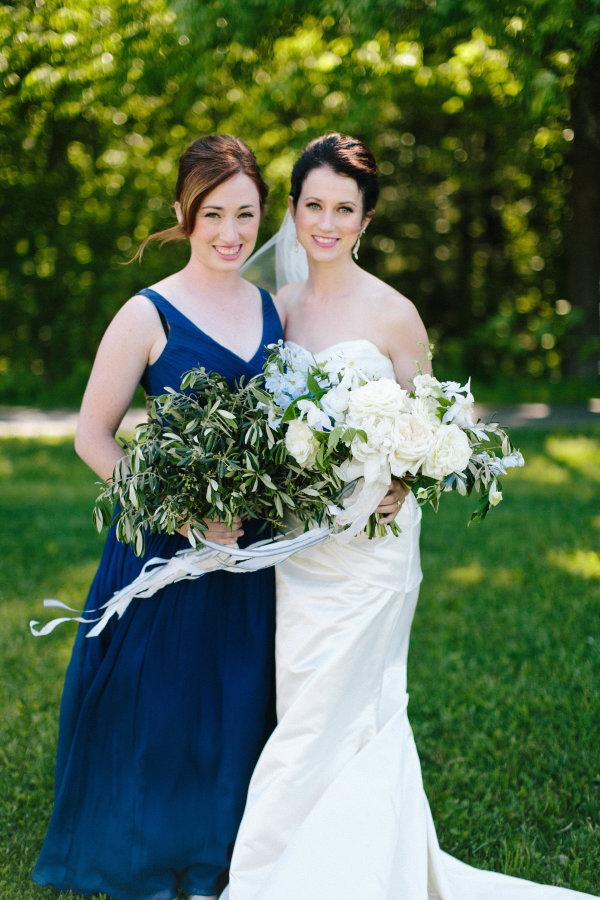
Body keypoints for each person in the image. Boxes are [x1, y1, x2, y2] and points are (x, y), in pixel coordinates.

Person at [224, 133, 597, 899]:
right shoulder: (273, 309)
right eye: (314, 206)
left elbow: (437, 430)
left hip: (374, 552)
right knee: (302, 707)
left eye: (345, 209)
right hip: (301, 550)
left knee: (355, 707)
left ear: (365, 220)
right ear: (292, 211)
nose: (327, 223)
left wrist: (404, 478)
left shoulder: (394, 314)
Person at [33, 135, 284, 900]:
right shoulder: (147, 313)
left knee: (235, 699)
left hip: (248, 547)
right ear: (183, 213)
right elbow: (92, 437)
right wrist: (181, 507)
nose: (231, 233)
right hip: (164, 542)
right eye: (213, 214)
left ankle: (222, 851)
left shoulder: (270, 305)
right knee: (163, 704)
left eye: (245, 214)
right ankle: (146, 846)